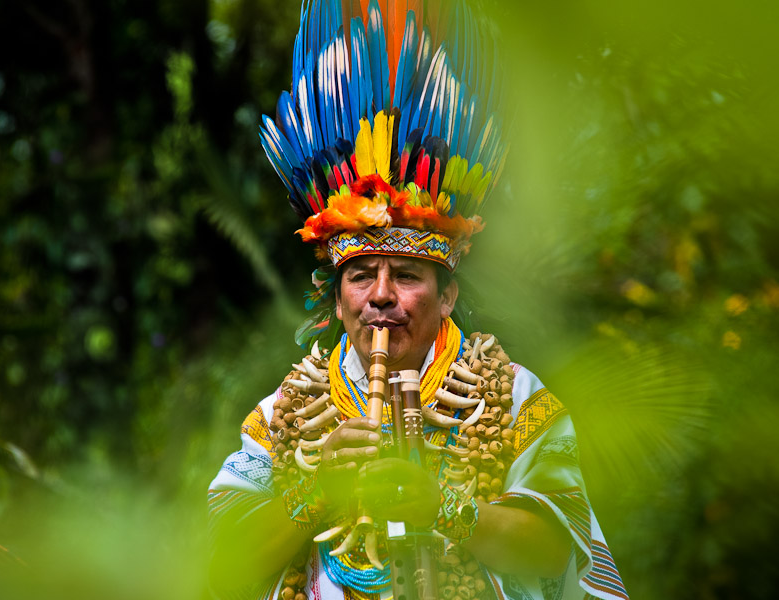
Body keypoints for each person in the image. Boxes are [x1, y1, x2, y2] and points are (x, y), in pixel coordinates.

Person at [208, 1, 629, 599]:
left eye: (406, 275)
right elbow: (222, 558)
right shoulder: (283, 413)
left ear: (448, 293)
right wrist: (314, 494)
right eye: (360, 277)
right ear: (334, 301)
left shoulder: (513, 395)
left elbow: (558, 546)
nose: (381, 296)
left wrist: (446, 508)